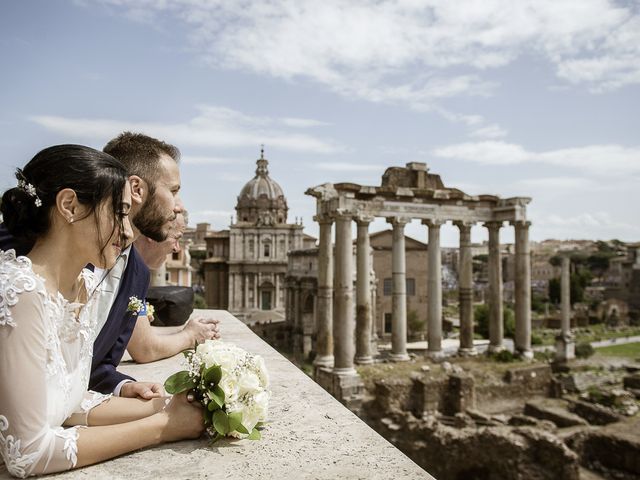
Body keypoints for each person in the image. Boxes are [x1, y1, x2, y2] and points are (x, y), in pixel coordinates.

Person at [0, 145, 203, 478]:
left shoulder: (79, 286)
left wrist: (168, 405)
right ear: (69, 206)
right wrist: (163, 426)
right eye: (119, 213)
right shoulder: (19, 292)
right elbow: (28, 454)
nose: (126, 231)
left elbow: (65, 403)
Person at [127, 211, 220, 363]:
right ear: (153, 233)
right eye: (176, 238)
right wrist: (190, 337)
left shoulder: (134, 268)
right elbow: (145, 349)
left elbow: (137, 334)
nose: (177, 248)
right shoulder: (132, 272)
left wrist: (189, 330)